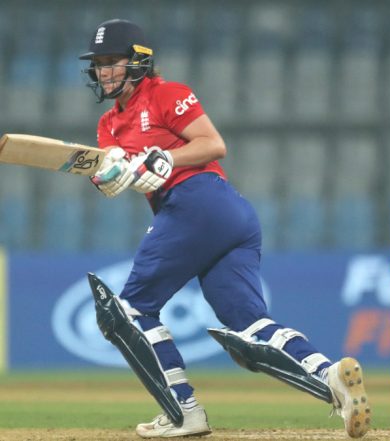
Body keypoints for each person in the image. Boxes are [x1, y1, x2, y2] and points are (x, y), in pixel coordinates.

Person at [80, 19, 370, 438]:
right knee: (249, 322)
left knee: (129, 311)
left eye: (113, 62)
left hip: (197, 201)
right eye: (99, 64)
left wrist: (164, 159)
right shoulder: (108, 124)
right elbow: (111, 169)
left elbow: (213, 144)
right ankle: (330, 377)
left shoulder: (166, 94)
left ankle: (185, 411)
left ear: (139, 62)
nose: (104, 71)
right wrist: (109, 176)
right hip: (225, 216)